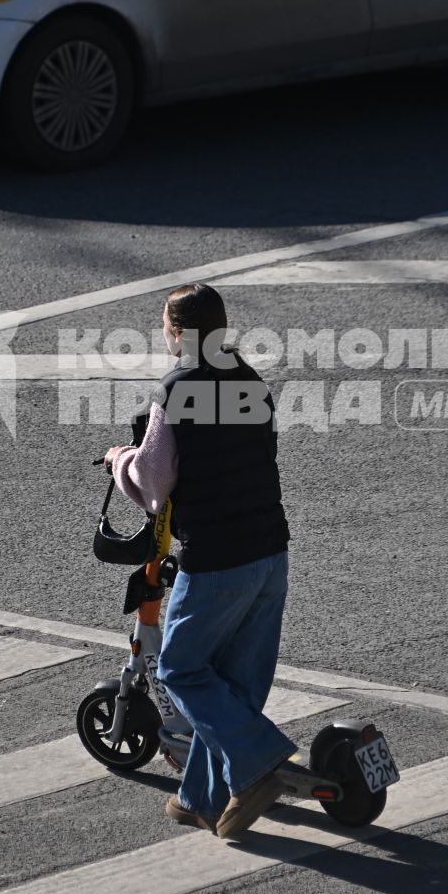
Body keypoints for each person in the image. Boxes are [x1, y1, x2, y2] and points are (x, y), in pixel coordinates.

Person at [103, 283, 294, 840]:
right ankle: (201, 797)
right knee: (234, 685)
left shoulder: (176, 388)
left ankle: (259, 766)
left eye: (164, 325)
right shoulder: (249, 381)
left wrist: (121, 461)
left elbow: (155, 483)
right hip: (270, 550)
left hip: (217, 558)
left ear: (176, 333)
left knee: (181, 669)